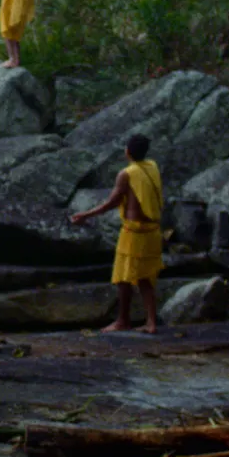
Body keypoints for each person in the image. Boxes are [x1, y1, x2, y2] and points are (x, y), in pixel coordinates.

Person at [70, 135, 164, 334]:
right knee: (146, 278)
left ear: (127, 152)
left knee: (123, 278)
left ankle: (123, 321)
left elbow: (112, 202)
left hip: (134, 232)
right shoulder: (152, 167)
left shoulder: (126, 174)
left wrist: (85, 215)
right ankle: (151, 322)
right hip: (153, 230)